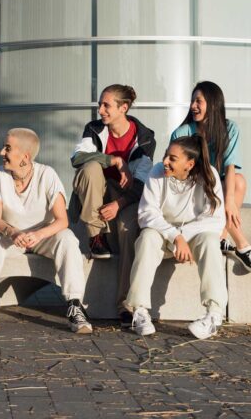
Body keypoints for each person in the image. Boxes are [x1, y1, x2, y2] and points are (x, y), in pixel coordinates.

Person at [0, 129, 92, 334]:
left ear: (25, 157)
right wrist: (13, 233)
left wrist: (38, 235)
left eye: (7, 148)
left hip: (43, 238)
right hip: (11, 238)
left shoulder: (47, 174)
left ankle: (74, 306)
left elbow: (63, 221)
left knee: (68, 239)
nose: (1, 152)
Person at [124, 135, 227, 340]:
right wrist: (175, 237)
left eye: (172, 158)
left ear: (189, 164)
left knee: (210, 240)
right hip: (164, 234)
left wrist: (183, 237)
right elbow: (147, 214)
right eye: (166, 155)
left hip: (193, 238)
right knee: (147, 238)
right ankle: (139, 311)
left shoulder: (209, 176)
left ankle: (214, 315)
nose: (165, 162)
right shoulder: (156, 173)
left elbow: (215, 220)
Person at [70, 84, 155, 327]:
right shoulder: (94, 129)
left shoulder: (144, 138)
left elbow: (141, 184)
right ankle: (96, 236)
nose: (100, 110)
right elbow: (77, 159)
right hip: (94, 192)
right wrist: (113, 159)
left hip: (126, 197)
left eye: (106, 105)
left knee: (129, 231)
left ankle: (126, 306)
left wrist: (119, 205)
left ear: (123, 108)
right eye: (100, 104)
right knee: (90, 167)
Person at [171, 81, 251, 275]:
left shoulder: (230, 128)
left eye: (198, 101)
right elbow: (177, 174)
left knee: (238, 180)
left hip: (218, 191)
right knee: (220, 186)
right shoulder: (182, 133)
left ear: (213, 104)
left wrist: (230, 201)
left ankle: (222, 237)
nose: (193, 106)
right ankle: (242, 245)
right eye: (192, 101)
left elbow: (230, 166)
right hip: (191, 190)